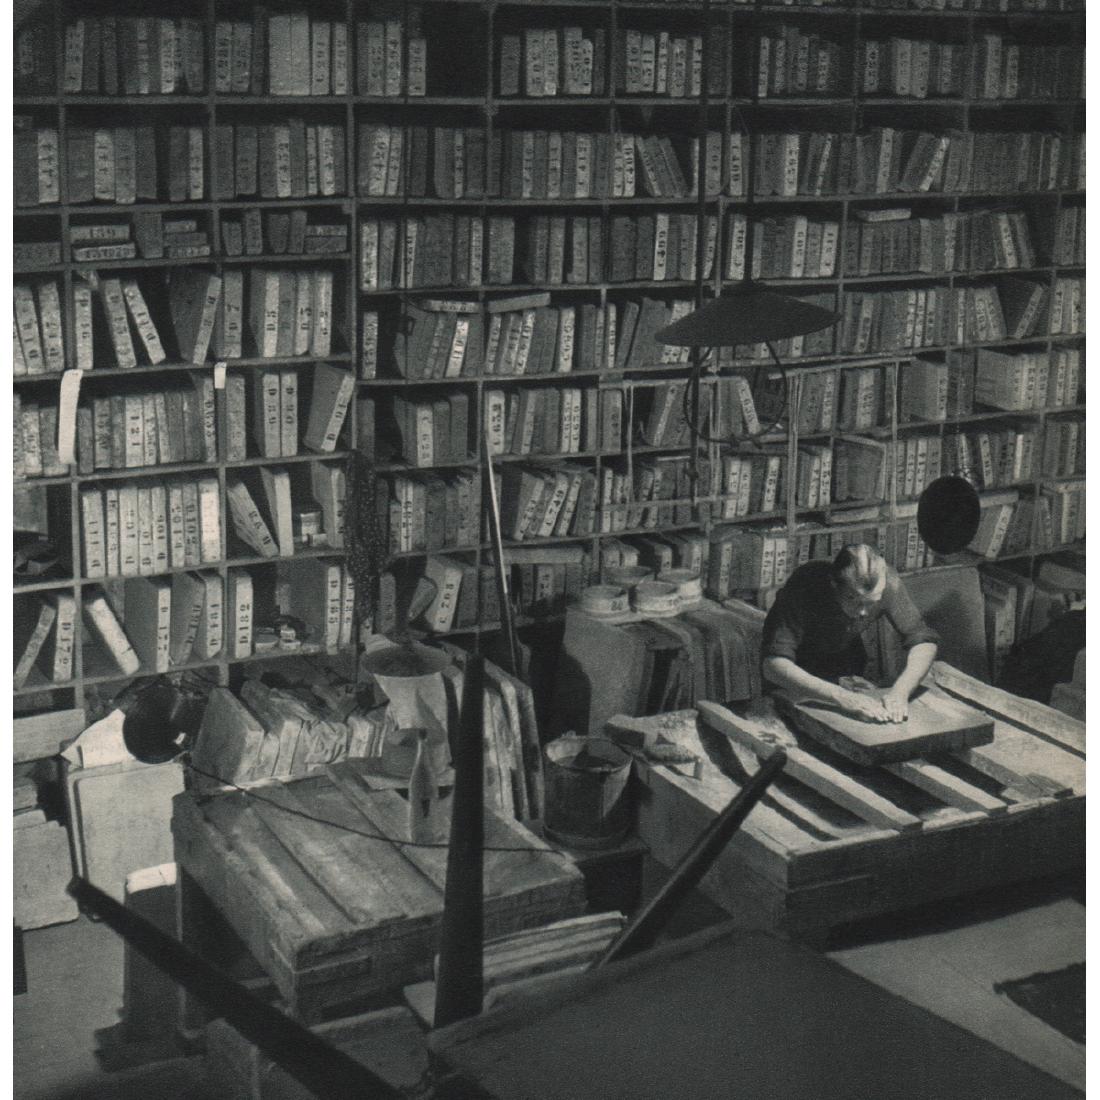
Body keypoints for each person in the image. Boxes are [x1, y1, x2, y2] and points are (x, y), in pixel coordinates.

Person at [760, 544, 939, 723]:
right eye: (853, 600)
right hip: (797, 676)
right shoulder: (805, 583)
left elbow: (923, 640)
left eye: (870, 603)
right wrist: (841, 697)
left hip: (845, 665)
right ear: (833, 584)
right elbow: (773, 665)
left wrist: (901, 691)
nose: (863, 613)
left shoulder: (888, 584)